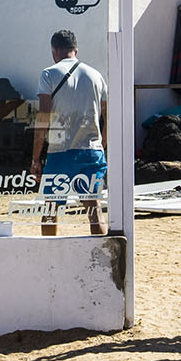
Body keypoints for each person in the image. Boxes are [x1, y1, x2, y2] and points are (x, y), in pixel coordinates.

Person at [30, 29, 109, 236]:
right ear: (76, 49)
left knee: (51, 210)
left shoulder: (49, 74)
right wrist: (102, 145)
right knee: (94, 210)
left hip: (60, 151)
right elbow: (108, 116)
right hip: (91, 150)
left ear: (54, 50)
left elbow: (43, 118)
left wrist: (36, 158)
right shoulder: (96, 75)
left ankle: (49, 255)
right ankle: (100, 258)